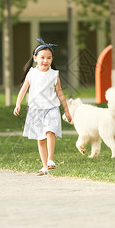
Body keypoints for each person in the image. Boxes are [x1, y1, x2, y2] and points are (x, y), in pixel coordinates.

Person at [13, 38, 72, 176]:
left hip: (51, 108)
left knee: (50, 132)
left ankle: (51, 159)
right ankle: (44, 166)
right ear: (35, 58)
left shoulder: (54, 74)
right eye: (42, 57)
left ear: (52, 59)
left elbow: (60, 93)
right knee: (41, 139)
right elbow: (23, 90)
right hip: (35, 110)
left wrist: (67, 110)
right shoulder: (32, 73)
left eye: (49, 58)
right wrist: (17, 104)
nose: (45, 61)